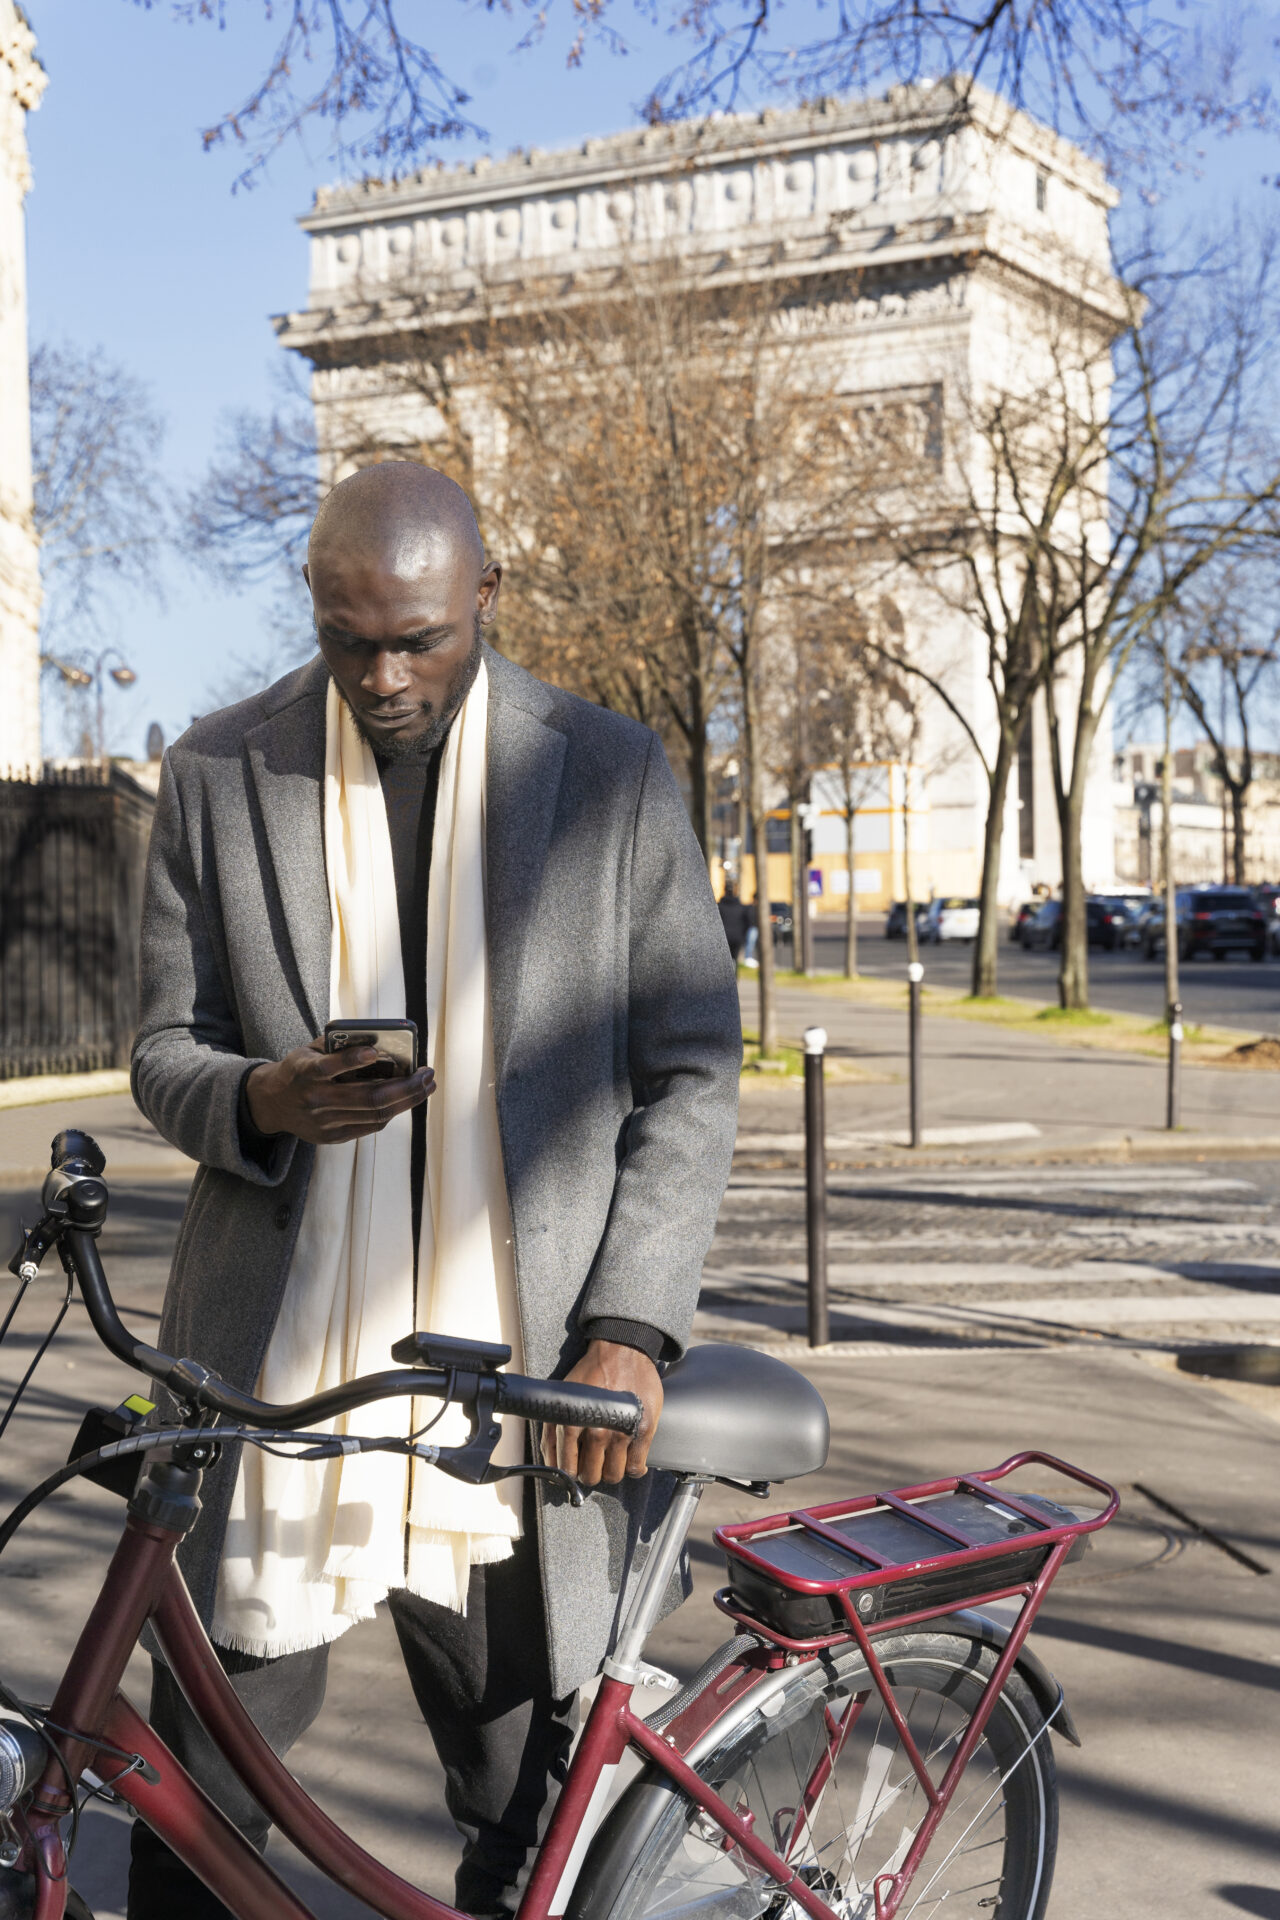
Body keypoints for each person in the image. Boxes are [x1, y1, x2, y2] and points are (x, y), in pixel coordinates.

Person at [128, 463, 741, 1919]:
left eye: (421, 638)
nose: (386, 676)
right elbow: (162, 1050)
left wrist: (630, 1328)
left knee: (526, 1819)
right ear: (312, 610)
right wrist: (263, 1097)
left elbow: (693, 1071)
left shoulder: (604, 772)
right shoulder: (220, 770)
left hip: (513, 1382)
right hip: (281, 1370)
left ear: (486, 599)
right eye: (351, 640)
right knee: (193, 1810)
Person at [717, 881, 749, 960]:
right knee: (735, 960)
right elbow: (747, 922)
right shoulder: (740, 907)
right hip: (737, 937)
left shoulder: (719, 906)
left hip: (724, 937)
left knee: (725, 961)